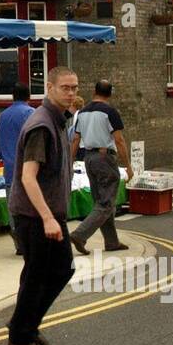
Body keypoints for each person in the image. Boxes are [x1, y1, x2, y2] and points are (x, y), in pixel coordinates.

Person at [5, 66, 79, 345]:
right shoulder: (42, 125)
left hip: (45, 214)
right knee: (48, 272)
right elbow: (27, 177)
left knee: (44, 272)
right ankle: (20, 337)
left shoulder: (57, 120)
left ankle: (26, 324)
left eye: (74, 87)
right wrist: (48, 217)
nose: (71, 93)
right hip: (36, 216)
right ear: (49, 88)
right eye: (65, 87)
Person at [68, 80, 132, 255]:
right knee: (106, 203)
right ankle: (80, 235)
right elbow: (119, 140)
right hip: (105, 158)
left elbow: (75, 139)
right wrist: (128, 166)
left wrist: (70, 162)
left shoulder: (83, 112)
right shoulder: (110, 112)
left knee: (101, 202)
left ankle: (111, 242)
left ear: (95, 91)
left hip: (88, 158)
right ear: (109, 93)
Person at [0, 83, 34, 255]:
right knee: (29, 206)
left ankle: (18, 240)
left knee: (14, 206)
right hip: (27, 167)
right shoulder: (30, 113)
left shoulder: (3, 115)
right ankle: (28, 241)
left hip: (9, 168)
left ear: (12, 96)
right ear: (29, 97)